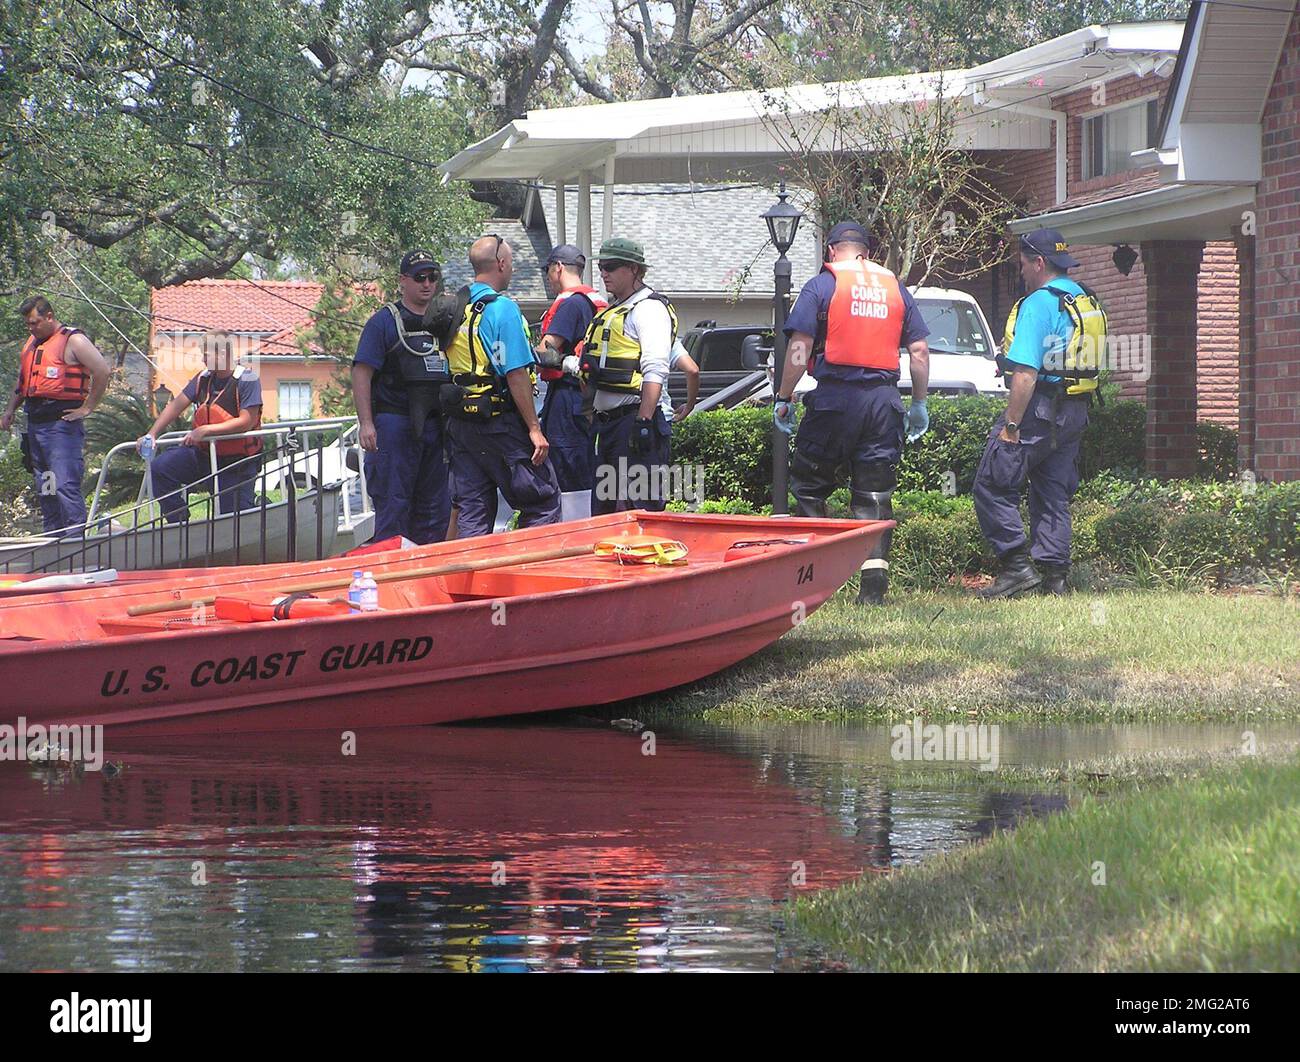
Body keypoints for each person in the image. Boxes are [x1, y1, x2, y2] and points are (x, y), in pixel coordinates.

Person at [774, 221, 931, 605]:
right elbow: (920, 352)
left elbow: (800, 346)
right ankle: (873, 594)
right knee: (874, 495)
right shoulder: (894, 288)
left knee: (809, 486)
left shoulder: (822, 285)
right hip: (883, 401)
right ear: (867, 252)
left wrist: (784, 395)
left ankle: (814, 586)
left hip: (835, 400)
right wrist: (919, 404)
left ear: (831, 251)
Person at [974, 228, 1102, 598]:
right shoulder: (1083, 298)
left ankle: (1016, 567)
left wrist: (1011, 426)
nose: (1022, 273)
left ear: (1039, 262)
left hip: (1040, 410)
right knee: (1052, 492)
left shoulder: (1039, 303)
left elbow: (1026, 372)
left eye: (1023, 265)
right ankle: (1054, 578)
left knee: (992, 481)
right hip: (1075, 411)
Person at [442, 234, 560, 538]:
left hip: (463, 425)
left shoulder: (456, 308)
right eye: (511, 263)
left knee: (473, 509)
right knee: (541, 502)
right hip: (500, 424)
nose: (513, 270)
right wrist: (534, 429)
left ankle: (473, 583)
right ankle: (531, 578)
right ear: (501, 263)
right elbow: (515, 372)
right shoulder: (501, 309)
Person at [351, 249, 453, 544]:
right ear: (403, 281)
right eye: (420, 277)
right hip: (394, 425)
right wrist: (366, 423)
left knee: (435, 511)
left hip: (436, 429)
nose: (427, 284)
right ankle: (389, 579)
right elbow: (361, 372)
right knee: (394, 509)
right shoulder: (383, 322)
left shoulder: (446, 321)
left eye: (432, 277)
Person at [2, 296, 111, 535]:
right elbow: (23, 383)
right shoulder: (32, 344)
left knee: (64, 484)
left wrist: (88, 407)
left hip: (61, 428)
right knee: (46, 486)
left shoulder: (74, 341)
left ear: (49, 316)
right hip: (36, 426)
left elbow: (102, 371)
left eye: (35, 323)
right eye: (28, 324)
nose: (31, 328)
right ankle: (53, 538)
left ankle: (75, 539)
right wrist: (9, 410)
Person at [582, 237, 676, 514]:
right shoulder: (615, 310)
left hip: (634, 424)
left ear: (634, 269)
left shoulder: (648, 309)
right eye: (601, 266)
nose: (603, 273)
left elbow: (655, 369)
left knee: (637, 513)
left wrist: (643, 424)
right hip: (609, 427)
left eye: (611, 266)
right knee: (606, 514)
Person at [140, 331, 263, 522]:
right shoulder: (203, 378)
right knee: (160, 468)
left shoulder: (248, 380)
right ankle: (179, 522)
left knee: (233, 519)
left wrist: (206, 430)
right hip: (203, 455)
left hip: (236, 463)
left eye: (206, 354)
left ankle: (258, 508)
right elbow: (176, 405)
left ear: (222, 354)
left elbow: (246, 421)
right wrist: (151, 434)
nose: (203, 359)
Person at [534, 244, 607, 495]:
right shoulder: (596, 303)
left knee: (566, 476)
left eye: (548, 270)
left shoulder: (571, 305)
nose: (547, 277)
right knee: (587, 472)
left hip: (568, 400)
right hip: (592, 399)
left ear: (558, 267)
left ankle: (571, 528)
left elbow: (546, 351)